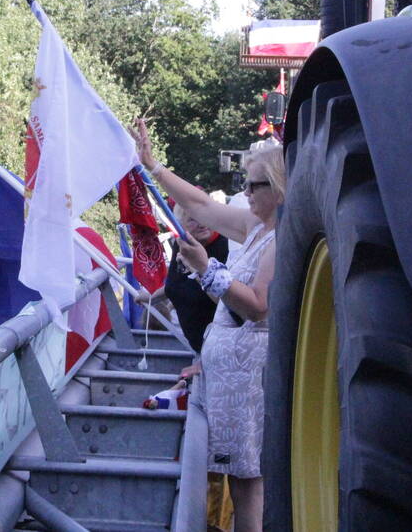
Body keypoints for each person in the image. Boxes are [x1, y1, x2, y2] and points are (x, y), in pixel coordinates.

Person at [130, 119, 285, 532]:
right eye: (245, 185)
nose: (246, 193)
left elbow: (258, 307)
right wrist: (153, 167)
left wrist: (205, 269)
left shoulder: (280, 237)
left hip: (249, 378)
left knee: (249, 482)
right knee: (241, 478)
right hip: (233, 375)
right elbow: (198, 204)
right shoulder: (257, 228)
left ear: (279, 187)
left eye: (254, 186)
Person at [149, 202, 229, 353]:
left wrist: (200, 270)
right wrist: (151, 296)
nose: (202, 224)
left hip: (219, 348)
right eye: (193, 219)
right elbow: (179, 283)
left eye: (205, 217)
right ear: (180, 225)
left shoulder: (225, 247)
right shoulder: (182, 245)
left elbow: (227, 304)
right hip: (198, 347)